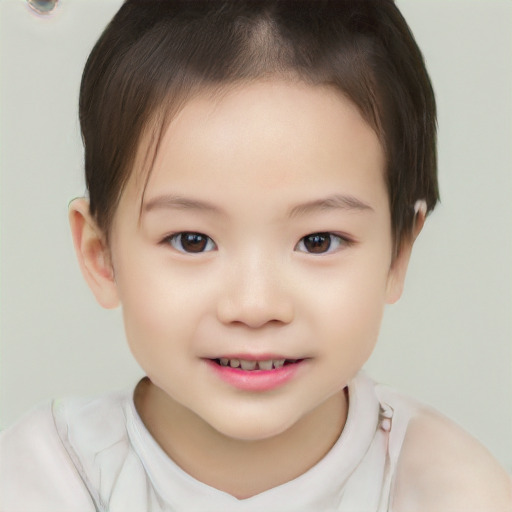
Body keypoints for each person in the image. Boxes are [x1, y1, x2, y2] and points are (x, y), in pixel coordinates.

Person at [1, 1, 510, 510]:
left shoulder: (450, 491)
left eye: (318, 241)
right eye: (192, 241)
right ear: (101, 253)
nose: (254, 305)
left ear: (398, 253)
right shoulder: (47, 476)